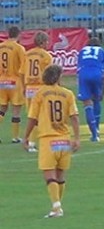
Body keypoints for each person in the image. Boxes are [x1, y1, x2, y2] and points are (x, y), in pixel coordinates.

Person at [22, 64, 80, 219]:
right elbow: (74, 117)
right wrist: (77, 138)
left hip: (48, 139)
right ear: (58, 77)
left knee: (49, 176)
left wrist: (26, 137)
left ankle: (56, 208)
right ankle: (57, 205)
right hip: (64, 140)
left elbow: (32, 118)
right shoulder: (67, 94)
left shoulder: (40, 94)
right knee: (60, 176)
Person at [20, 31, 53, 152]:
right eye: (47, 41)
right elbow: (50, 74)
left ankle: (30, 141)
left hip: (29, 88)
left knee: (32, 116)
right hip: (41, 88)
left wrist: (24, 87)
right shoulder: (46, 56)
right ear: (43, 42)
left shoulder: (27, 54)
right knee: (43, 116)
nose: (48, 43)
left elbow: (22, 73)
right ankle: (33, 143)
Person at [77, 37, 104, 142]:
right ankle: (97, 129)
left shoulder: (82, 51)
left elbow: (79, 69)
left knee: (87, 103)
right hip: (97, 74)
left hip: (84, 74)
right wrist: (103, 93)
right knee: (97, 100)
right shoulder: (102, 52)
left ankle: (94, 134)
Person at [0, 25, 26, 144]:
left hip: (2, 81)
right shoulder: (19, 48)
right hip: (15, 81)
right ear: (18, 34)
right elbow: (23, 67)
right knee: (16, 111)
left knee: (2, 109)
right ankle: (15, 137)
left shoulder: (1, 47)